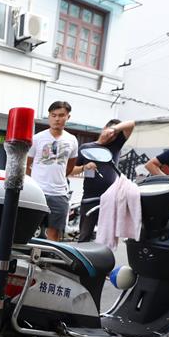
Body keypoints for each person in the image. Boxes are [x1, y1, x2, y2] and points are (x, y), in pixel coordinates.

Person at [71, 119, 136, 242]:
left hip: (110, 199)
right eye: (109, 130)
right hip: (89, 198)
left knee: (107, 238)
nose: (111, 136)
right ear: (104, 128)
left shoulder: (115, 146)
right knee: (84, 236)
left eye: (115, 134)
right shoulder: (85, 148)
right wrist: (84, 167)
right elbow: (70, 170)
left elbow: (132, 124)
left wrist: (115, 129)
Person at [27, 101, 78, 241]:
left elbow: (70, 165)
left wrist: (58, 176)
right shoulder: (37, 138)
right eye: (53, 115)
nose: (57, 119)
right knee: (28, 230)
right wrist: (32, 184)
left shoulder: (72, 140)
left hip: (59, 194)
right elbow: (27, 165)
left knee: (55, 233)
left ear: (68, 117)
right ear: (49, 116)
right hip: (37, 192)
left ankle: (47, 263)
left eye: (61, 115)